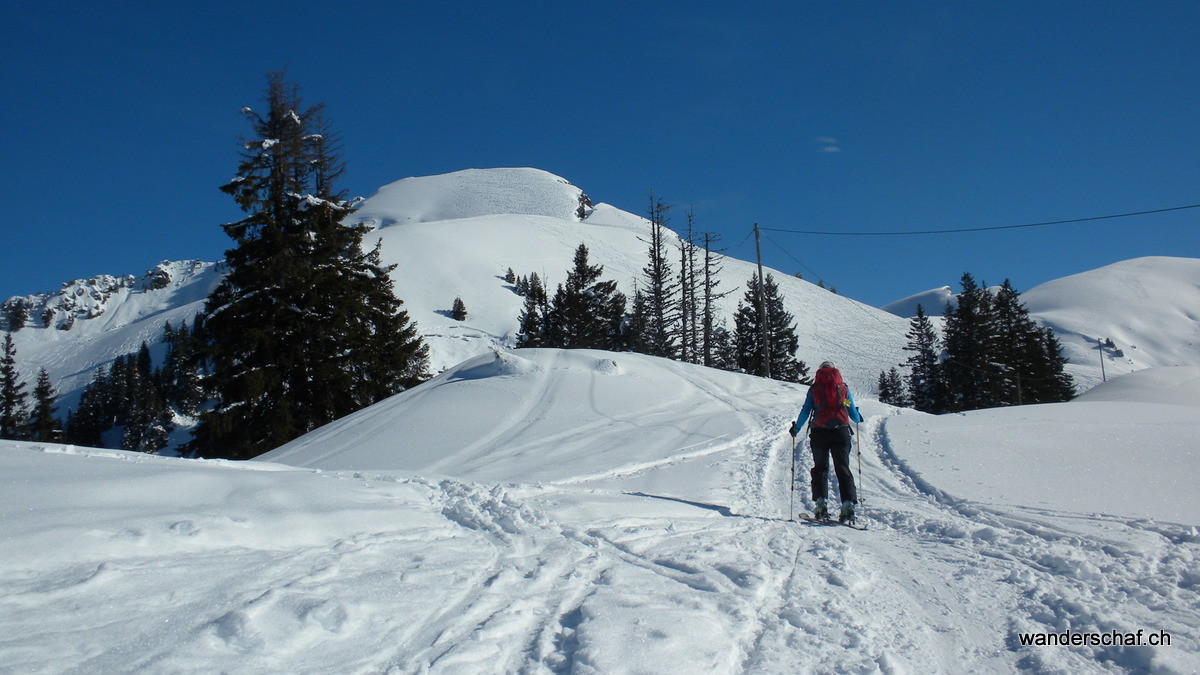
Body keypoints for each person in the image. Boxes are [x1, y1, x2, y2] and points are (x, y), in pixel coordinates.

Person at [789, 361, 864, 523]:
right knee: (843, 468)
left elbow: (806, 410)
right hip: (841, 432)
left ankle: (821, 505)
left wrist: (796, 428)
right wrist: (858, 417)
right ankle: (848, 506)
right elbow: (851, 410)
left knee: (820, 469)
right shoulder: (842, 388)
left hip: (819, 433)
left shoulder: (815, 389)